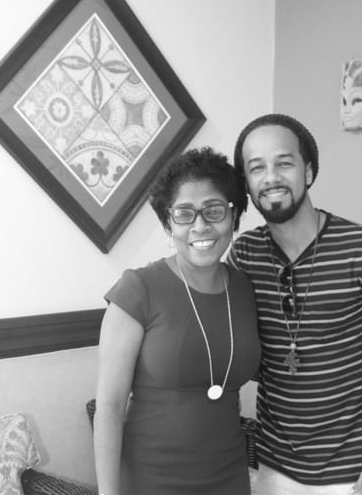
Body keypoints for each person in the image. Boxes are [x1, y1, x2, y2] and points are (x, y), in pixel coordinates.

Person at [227, 114, 362, 495]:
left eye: (284, 162)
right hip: (273, 464)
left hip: (352, 473)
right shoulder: (244, 255)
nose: (271, 177)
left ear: (308, 171)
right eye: (256, 168)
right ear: (246, 183)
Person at [94, 147, 261, 495]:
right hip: (151, 478)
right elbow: (109, 407)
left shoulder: (244, 288)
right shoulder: (138, 289)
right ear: (169, 222)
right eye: (185, 214)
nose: (200, 225)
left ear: (234, 217)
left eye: (214, 210)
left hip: (229, 474)